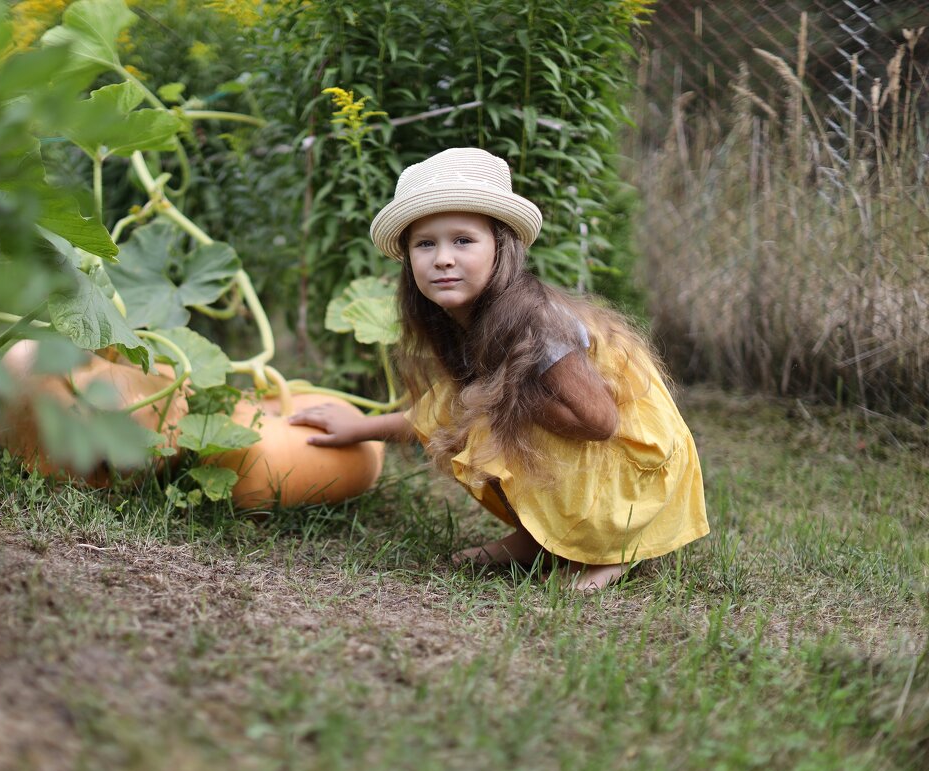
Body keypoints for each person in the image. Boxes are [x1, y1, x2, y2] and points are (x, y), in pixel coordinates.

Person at [289, 148, 710, 591]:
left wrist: (499, 403)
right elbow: (444, 411)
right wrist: (358, 428)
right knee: (479, 413)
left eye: (463, 241)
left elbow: (599, 423)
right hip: (591, 442)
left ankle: (610, 548)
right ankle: (539, 540)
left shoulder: (536, 325)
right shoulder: (464, 321)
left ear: (500, 248)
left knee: (494, 417)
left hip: (633, 464)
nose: (443, 258)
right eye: (425, 243)